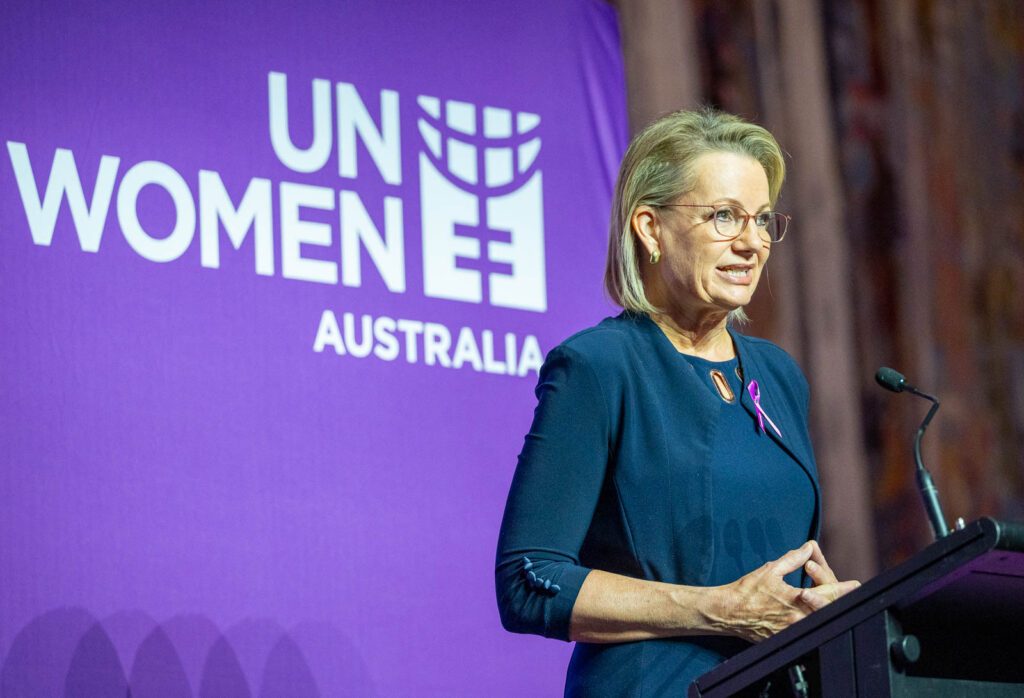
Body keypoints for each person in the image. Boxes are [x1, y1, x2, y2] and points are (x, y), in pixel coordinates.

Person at [495, 108, 860, 696]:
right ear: (649, 228)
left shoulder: (779, 374)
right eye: (724, 217)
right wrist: (719, 609)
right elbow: (527, 579)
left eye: (763, 219)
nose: (752, 243)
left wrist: (823, 608)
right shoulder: (599, 367)